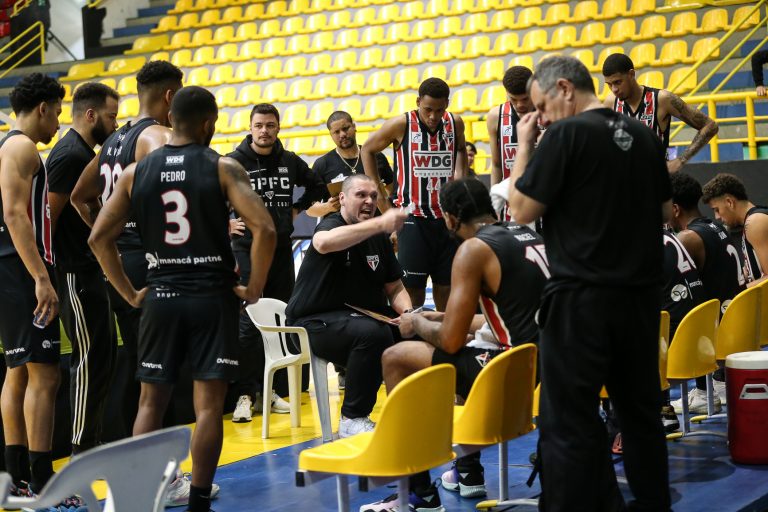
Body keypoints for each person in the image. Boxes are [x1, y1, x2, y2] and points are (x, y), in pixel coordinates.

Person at [88, 86, 276, 512]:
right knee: (207, 407)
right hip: (212, 296)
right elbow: (264, 228)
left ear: (170, 119)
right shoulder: (223, 166)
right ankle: (198, 502)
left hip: (161, 295)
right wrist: (254, 288)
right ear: (209, 123)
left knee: (149, 402)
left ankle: (140, 497)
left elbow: (98, 238)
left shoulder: (137, 172)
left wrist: (129, 292)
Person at [508, 56, 672, 511]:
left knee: (569, 421)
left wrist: (525, 144)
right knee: (640, 417)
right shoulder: (642, 134)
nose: (541, 118)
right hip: (639, 300)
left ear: (564, 88)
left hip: (583, 299)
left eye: (542, 107)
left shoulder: (566, 134)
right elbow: (663, 211)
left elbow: (520, 210)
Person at [361, 179, 548, 512]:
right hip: (544, 365)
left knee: (396, 356)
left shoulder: (474, 249)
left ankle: (419, 492)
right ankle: (467, 471)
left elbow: (450, 340)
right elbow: (508, 315)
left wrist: (416, 322)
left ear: (449, 218)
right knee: (467, 350)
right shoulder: (525, 234)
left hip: (510, 371)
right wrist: (439, 316)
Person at [70, 60, 183, 440]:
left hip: (118, 263)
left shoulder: (114, 141)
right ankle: (162, 462)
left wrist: (110, 231)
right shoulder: (157, 136)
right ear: (170, 96)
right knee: (158, 373)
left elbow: (80, 197)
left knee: (139, 362)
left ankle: (139, 455)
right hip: (149, 264)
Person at [0, 73, 83, 508]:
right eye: (57, 113)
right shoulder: (22, 148)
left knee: (18, 371)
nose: (58, 124)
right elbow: (15, 215)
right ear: (43, 108)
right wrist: (41, 278)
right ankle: (40, 481)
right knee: (45, 375)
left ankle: (15, 480)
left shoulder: (6, 146)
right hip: (21, 270)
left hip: (10, 270)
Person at [285, 174, 411, 438]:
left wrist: (410, 315)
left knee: (418, 330)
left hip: (361, 316)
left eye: (373, 196)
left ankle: (412, 409)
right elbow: (323, 243)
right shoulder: (331, 224)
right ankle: (352, 418)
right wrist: (379, 223)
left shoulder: (378, 236)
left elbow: (395, 287)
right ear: (342, 198)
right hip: (311, 323)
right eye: (361, 195)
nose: (369, 201)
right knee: (373, 334)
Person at [227, 103, 325, 423]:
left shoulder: (290, 160)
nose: (264, 131)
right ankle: (245, 393)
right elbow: (209, 196)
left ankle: (269, 391)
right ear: (250, 128)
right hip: (247, 249)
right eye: (259, 125)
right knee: (248, 323)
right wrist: (226, 222)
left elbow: (318, 186)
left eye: (270, 125)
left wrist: (296, 211)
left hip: (281, 250)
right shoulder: (233, 161)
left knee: (280, 319)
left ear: (278, 127)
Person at [47, 82, 119, 455]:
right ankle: (80, 447)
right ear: (91, 115)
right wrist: (45, 277)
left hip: (87, 270)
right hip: (73, 273)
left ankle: (90, 438)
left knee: (102, 355)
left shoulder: (82, 152)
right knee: (89, 358)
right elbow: (47, 219)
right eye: (111, 116)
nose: (115, 124)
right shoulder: (70, 155)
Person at [361, 77, 468, 311]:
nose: (433, 116)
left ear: (447, 105)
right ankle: (412, 335)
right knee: (413, 295)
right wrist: (380, 199)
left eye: (439, 110)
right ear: (418, 102)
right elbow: (367, 149)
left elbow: (461, 150)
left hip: (446, 220)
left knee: (447, 291)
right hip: (412, 220)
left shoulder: (455, 123)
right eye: (428, 109)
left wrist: (460, 183)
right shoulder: (402, 124)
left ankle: (445, 335)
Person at [602, 53, 719, 172]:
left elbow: (710, 126)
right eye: (609, 85)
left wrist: (681, 159)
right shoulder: (611, 102)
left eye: (618, 82)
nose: (614, 89)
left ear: (631, 74)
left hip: (656, 179)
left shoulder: (662, 99)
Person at [310, 111, 394, 218]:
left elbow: (391, 189)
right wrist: (328, 207)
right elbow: (309, 209)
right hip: (340, 225)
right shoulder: (322, 164)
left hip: (374, 222)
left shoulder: (376, 157)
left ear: (354, 127)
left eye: (345, 128)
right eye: (336, 132)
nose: (342, 134)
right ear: (331, 135)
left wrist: (378, 197)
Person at [702, 173, 768, 287]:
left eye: (717, 209)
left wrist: (736, 292)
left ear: (729, 202)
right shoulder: (751, 221)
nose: (717, 217)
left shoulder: (755, 222)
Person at [487, 66, 535, 188]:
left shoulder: (548, 113)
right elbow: (497, 165)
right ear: (507, 93)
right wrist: (494, 196)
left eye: (525, 99)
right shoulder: (495, 116)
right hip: (510, 193)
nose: (520, 105)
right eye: (513, 99)